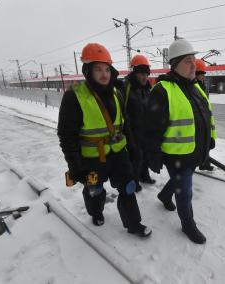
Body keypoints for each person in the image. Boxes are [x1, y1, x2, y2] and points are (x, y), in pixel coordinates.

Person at [57, 43, 151, 237]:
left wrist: (133, 150)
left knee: (128, 188)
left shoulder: (116, 93)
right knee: (95, 190)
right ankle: (96, 211)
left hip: (118, 155)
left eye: (107, 69)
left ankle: (134, 224)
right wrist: (75, 166)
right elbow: (67, 136)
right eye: (98, 69)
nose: (104, 74)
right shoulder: (74, 96)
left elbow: (125, 125)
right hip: (92, 159)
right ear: (87, 70)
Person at [145, 38, 216, 244]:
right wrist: (153, 156)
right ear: (175, 65)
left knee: (180, 182)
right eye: (187, 61)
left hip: (195, 151)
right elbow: (151, 129)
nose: (194, 64)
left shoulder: (196, 87)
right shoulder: (162, 90)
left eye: (194, 59)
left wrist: (210, 140)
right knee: (185, 191)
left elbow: (206, 117)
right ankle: (188, 226)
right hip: (176, 154)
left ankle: (164, 196)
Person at [123, 55, 155, 192]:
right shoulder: (126, 87)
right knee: (135, 158)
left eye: (146, 74)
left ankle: (144, 176)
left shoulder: (147, 88)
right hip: (132, 130)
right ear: (134, 72)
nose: (144, 77)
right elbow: (122, 111)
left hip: (145, 130)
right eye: (141, 74)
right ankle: (134, 181)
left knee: (145, 156)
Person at [195, 58, 214, 171]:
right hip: (198, 119)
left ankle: (204, 163)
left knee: (205, 143)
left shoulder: (202, 85)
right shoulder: (193, 86)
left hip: (204, 117)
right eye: (201, 74)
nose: (203, 77)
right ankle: (201, 162)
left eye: (203, 74)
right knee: (200, 144)